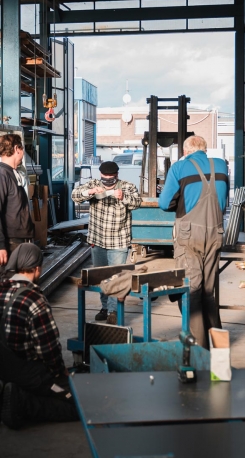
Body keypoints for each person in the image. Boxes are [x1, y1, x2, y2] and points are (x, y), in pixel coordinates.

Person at [159, 136, 229, 349]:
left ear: (186, 151)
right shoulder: (221, 165)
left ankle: (199, 353)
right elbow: (223, 201)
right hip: (215, 232)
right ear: (204, 150)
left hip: (189, 235)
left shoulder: (179, 167)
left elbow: (164, 203)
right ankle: (219, 354)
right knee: (208, 292)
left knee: (192, 290)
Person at [0, 243, 78, 429]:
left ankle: (9, 393)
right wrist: (61, 373)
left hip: (3, 368)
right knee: (78, 405)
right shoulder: (34, 300)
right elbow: (48, 349)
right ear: (36, 269)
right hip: (28, 372)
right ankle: (23, 403)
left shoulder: (2, 290)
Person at [71, 160, 141, 324]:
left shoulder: (127, 186)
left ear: (117, 175)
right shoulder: (94, 184)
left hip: (119, 240)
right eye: (105, 177)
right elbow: (75, 195)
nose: (108, 180)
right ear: (100, 175)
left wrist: (123, 197)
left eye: (111, 177)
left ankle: (113, 311)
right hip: (98, 239)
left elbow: (137, 202)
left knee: (115, 278)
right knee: (101, 277)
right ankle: (104, 307)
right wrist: (90, 191)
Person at [0, 133, 34, 266]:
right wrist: (1, 245)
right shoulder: (2, 175)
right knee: (10, 283)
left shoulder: (12, 173)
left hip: (19, 239)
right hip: (10, 241)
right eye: (23, 149)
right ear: (16, 149)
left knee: (21, 283)